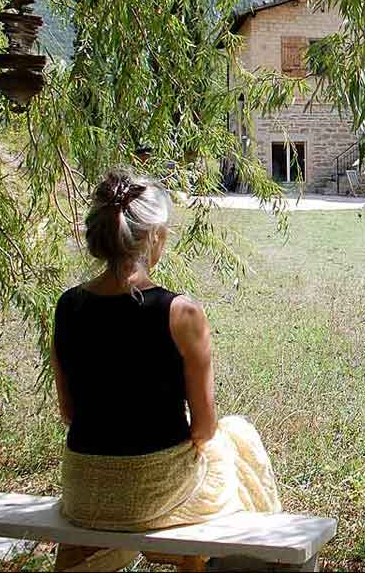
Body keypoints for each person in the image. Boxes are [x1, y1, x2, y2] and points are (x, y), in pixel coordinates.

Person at [51, 169, 281, 536]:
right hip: (151, 495)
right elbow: (204, 429)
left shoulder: (66, 306)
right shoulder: (182, 313)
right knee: (237, 438)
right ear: (156, 237)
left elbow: (68, 412)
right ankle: (226, 560)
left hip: (83, 493)